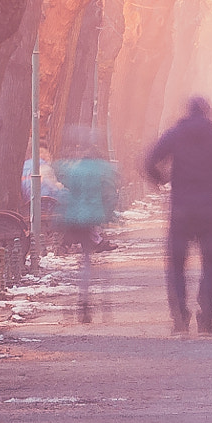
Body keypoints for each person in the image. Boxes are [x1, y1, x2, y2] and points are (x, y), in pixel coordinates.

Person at [144, 96, 212, 335]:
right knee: (211, 263)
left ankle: (179, 317)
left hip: (181, 208)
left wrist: (161, 180)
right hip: (209, 208)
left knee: (177, 263)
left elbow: (149, 161)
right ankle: (206, 316)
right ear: (208, 113)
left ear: (187, 111)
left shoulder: (174, 135)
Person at [54, 126, 120, 323]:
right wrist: (108, 214)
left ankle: (80, 297)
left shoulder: (73, 168)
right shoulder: (103, 168)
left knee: (84, 258)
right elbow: (110, 193)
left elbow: (63, 185)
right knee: (88, 258)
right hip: (92, 217)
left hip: (74, 218)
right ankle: (88, 298)